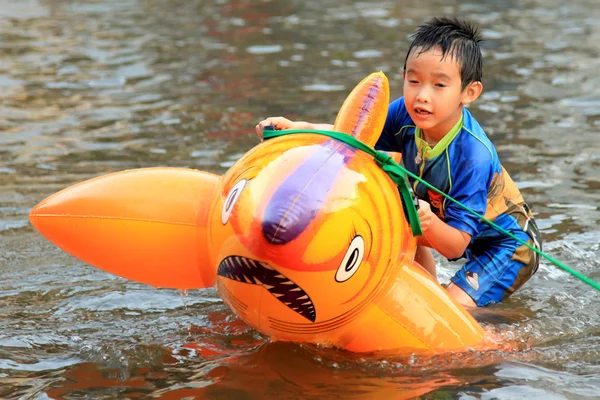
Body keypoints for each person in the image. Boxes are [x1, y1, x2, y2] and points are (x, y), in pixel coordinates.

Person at [254, 17, 542, 308]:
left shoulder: (472, 156)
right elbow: (354, 139)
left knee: (452, 309)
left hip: (508, 246)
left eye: (439, 84)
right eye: (413, 80)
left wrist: (427, 220)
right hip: (455, 226)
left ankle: (504, 340)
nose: (422, 95)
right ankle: (422, 293)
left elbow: (456, 246)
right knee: (400, 222)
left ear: (469, 93)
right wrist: (297, 126)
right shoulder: (405, 115)